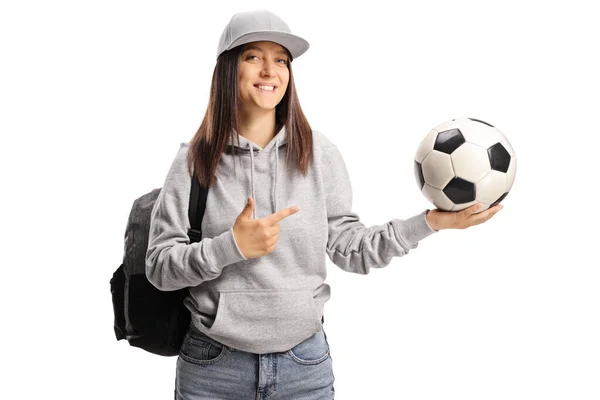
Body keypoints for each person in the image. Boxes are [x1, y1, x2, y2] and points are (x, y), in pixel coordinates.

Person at [145, 9, 503, 400]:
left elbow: (351, 250)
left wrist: (430, 223)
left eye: (280, 60)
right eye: (254, 57)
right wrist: (230, 247)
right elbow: (159, 268)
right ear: (229, 69)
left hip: (304, 367)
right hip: (214, 368)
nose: (270, 71)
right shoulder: (193, 160)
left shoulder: (319, 154)